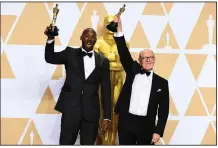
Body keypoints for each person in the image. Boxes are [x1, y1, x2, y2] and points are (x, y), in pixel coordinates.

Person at [44, 26, 111, 145]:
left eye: (92, 37)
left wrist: (107, 117)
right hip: (70, 110)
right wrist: (50, 38)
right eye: (86, 36)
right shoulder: (70, 53)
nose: (89, 39)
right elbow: (50, 58)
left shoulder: (103, 61)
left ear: (96, 40)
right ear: (81, 38)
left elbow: (106, 90)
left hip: (91, 113)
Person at [113, 16, 169, 145]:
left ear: (154, 60)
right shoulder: (132, 70)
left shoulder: (162, 83)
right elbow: (123, 51)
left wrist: (158, 131)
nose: (148, 60)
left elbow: (163, 110)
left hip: (147, 126)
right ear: (139, 60)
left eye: (151, 57)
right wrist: (119, 29)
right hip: (127, 123)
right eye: (145, 58)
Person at [94, 15, 129, 145]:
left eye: (113, 23)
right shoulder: (98, 43)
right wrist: (113, 63)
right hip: (102, 81)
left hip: (118, 80)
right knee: (103, 110)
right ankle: (104, 141)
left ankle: (112, 141)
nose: (110, 25)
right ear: (104, 24)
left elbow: (125, 65)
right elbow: (96, 66)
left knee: (116, 111)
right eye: (108, 22)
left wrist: (107, 62)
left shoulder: (123, 43)